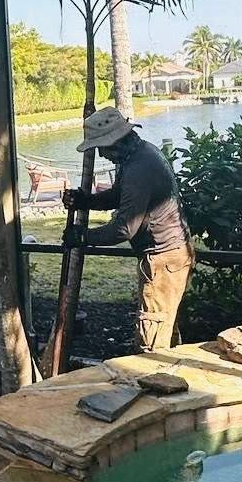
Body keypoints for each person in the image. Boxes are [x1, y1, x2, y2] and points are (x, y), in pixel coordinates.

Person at [64, 106, 194, 354]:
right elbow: (120, 196)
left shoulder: (138, 168)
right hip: (171, 255)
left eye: (102, 148)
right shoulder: (138, 155)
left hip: (164, 258)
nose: (102, 155)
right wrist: (87, 200)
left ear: (115, 142)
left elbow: (123, 229)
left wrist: (82, 237)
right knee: (164, 329)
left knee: (153, 342)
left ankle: (155, 383)